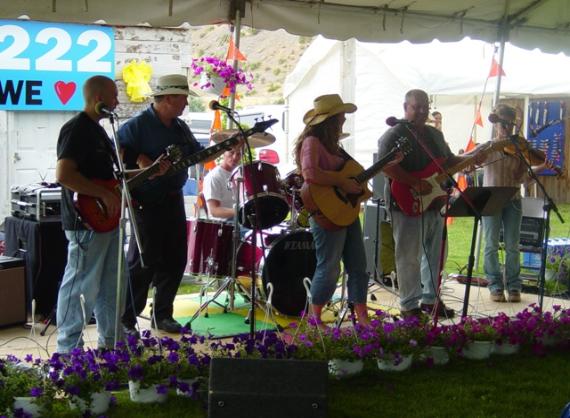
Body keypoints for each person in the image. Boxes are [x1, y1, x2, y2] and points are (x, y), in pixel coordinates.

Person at [119, 74, 210, 334]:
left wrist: (222, 146)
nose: (186, 103)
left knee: (175, 258)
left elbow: (195, 152)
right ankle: (127, 318)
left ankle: (162, 315)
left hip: (173, 198)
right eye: (183, 98)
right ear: (168, 98)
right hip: (145, 201)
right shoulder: (137, 125)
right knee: (144, 261)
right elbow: (117, 151)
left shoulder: (180, 127)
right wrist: (140, 158)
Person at [378, 89, 480, 318]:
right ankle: (409, 305)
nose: (422, 111)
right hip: (406, 202)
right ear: (405, 107)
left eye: (425, 107)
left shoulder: (434, 135)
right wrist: (414, 182)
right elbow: (385, 166)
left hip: (435, 201)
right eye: (417, 107)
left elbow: (448, 161)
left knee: (437, 254)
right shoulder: (393, 135)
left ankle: (431, 300)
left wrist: (471, 158)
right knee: (409, 256)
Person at [55, 75, 123, 353]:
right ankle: (68, 350)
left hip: (107, 221)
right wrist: (103, 195)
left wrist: (152, 171)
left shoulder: (99, 131)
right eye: (114, 96)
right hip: (85, 221)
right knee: (81, 284)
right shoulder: (76, 129)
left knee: (111, 285)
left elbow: (109, 179)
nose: (117, 101)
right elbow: (64, 174)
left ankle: (112, 344)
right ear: (99, 99)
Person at [294, 94, 371, 326]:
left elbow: (351, 175)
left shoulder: (335, 147)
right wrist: (342, 182)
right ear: (331, 120)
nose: (344, 120)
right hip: (326, 212)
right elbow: (310, 174)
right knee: (329, 267)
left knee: (358, 265)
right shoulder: (312, 142)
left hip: (346, 210)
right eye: (341, 116)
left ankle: (362, 317)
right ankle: (314, 319)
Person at [478, 104, 551, 303]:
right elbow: (473, 164)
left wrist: (538, 166)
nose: (506, 128)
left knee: (512, 245)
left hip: (513, 200)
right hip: (492, 199)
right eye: (503, 123)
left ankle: (514, 286)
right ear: (496, 124)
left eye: (510, 124)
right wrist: (471, 161)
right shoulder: (488, 147)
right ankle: (495, 285)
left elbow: (521, 178)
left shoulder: (518, 147)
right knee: (491, 244)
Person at [203, 145, 242, 220]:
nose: (235, 157)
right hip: (223, 222)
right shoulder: (213, 177)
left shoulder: (240, 174)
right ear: (223, 153)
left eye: (238, 154)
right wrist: (240, 211)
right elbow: (214, 211)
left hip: (238, 219)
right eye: (231, 152)